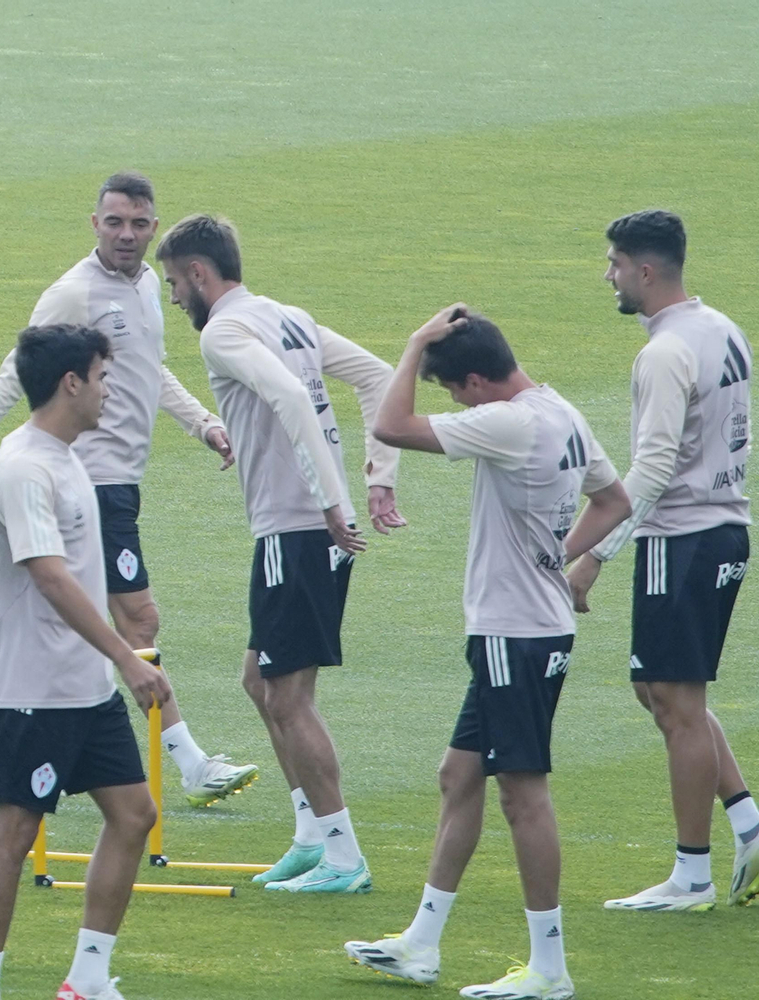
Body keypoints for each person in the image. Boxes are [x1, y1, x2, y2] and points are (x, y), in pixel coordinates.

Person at [345, 306, 630, 1000]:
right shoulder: (559, 410)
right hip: (531, 626)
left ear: (475, 380)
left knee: (522, 795)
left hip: (516, 635)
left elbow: (390, 426)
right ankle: (421, 943)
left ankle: (549, 969)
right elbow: (614, 500)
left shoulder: (510, 422)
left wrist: (413, 343)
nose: (454, 405)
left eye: (454, 392)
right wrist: (551, 559)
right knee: (458, 775)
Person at [0, 172, 258, 806]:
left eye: (139, 223)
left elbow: (148, 371)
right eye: (114, 223)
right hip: (88, 481)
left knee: (77, 616)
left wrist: (204, 424)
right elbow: (20, 370)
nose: (127, 235)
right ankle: (187, 761)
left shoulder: (152, 285)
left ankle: (17, 741)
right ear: (93, 224)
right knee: (137, 617)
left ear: (155, 226)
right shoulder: (72, 294)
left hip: (123, 481)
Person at [154, 214, 401, 893]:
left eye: (176, 283)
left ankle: (345, 856)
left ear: (201, 275)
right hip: (306, 528)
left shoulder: (226, 331)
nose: (175, 298)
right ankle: (311, 834)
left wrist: (326, 498)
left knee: (289, 699)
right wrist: (377, 481)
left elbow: (290, 395)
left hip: (297, 531)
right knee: (258, 681)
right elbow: (379, 376)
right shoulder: (286, 316)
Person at [0, 324, 173, 1000]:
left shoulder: (66, 455)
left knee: (134, 815)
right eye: (104, 377)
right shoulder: (24, 467)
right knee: (15, 831)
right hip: (34, 688)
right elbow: (52, 578)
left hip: (84, 686)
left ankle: (85, 980)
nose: (112, 390)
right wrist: (130, 658)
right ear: (72, 383)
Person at [567, 209, 759, 910]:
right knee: (663, 694)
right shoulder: (722, 329)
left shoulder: (663, 353)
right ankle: (747, 820)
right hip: (724, 530)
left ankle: (691, 875)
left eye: (614, 264)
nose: (608, 276)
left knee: (677, 705)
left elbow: (648, 471)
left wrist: (592, 556)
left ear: (645, 271)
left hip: (681, 540)